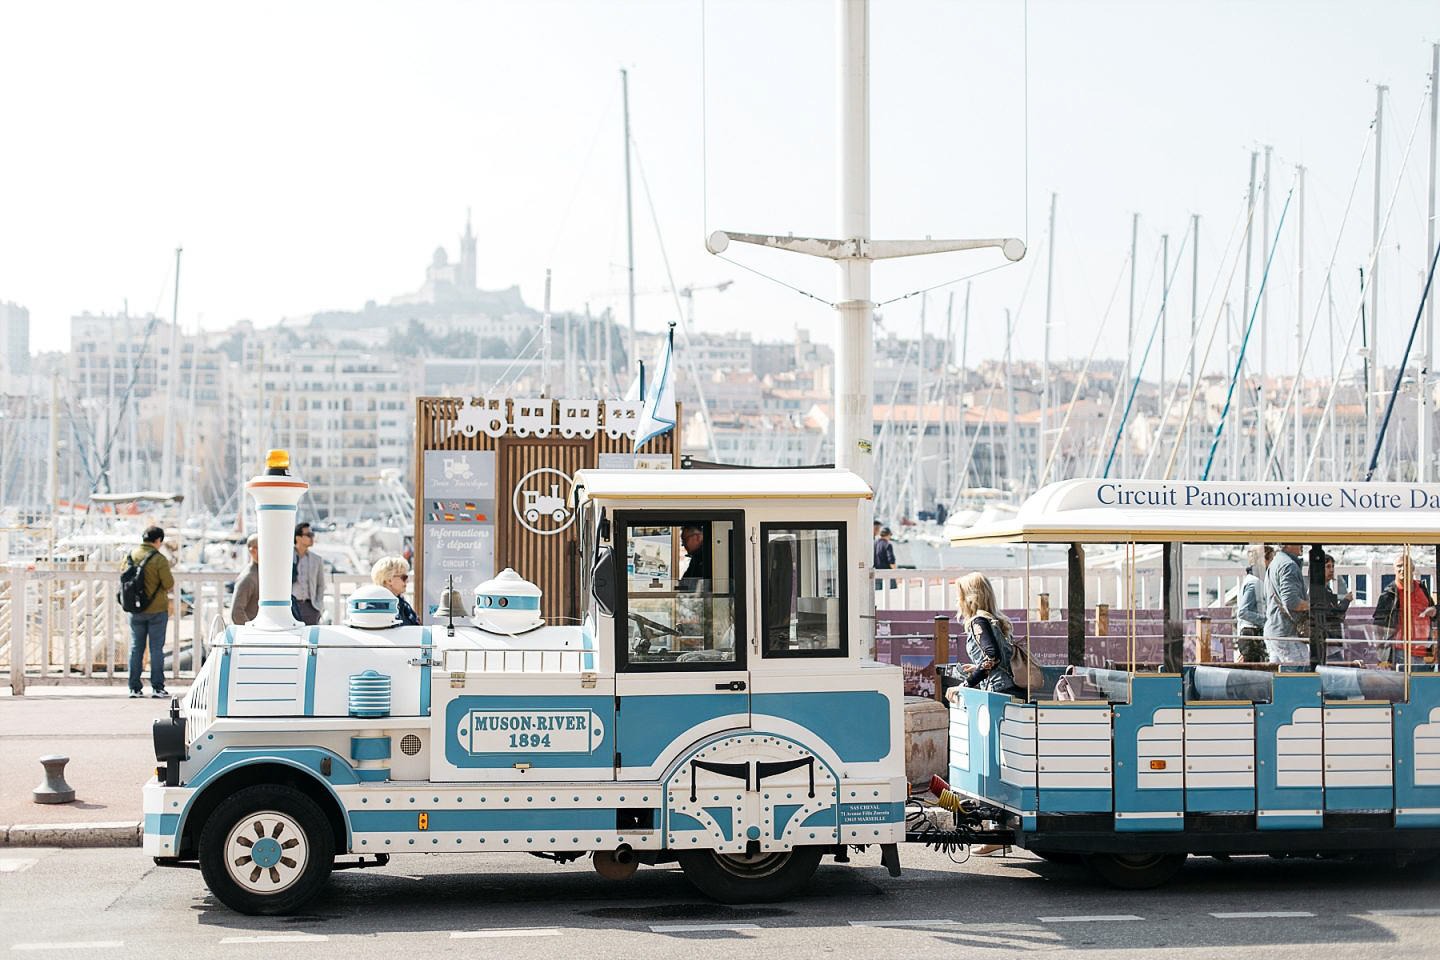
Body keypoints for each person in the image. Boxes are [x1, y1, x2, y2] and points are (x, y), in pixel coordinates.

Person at [954, 571, 1022, 697]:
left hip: (999, 690)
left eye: (960, 597)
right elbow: (1002, 659)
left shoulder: (978, 622)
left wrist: (964, 685)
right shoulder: (995, 621)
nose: (958, 602)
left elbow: (992, 657)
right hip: (1013, 687)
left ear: (969, 599)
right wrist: (978, 667)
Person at [126, 526, 175, 699]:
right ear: (158, 541)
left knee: (136, 648)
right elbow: (169, 583)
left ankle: (134, 688)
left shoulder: (131, 555)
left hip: (135, 609)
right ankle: (157, 687)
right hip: (156, 610)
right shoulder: (159, 559)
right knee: (156, 649)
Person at [1372, 553, 1436, 666]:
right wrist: (1383, 656)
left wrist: (1434, 610)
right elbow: (1378, 627)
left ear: (1413, 568)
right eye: (1399, 566)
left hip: (1424, 651)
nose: (1402, 569)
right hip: (1400, 652)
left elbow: (1434, 612)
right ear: (1394, 569)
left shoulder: (1422, 588)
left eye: (1406, 565)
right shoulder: (1388, 595)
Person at [1264, 543, 1310, 664]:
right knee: (1303, 676)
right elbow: (1291, 601)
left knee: (1277, 677)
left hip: (1275, 631)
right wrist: (1312, 605)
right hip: (1288, 633)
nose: (1303, 544)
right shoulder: (1289, 565)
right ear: (1287, 544)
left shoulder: (1275, 563)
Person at [1309, 553, 1353, 658]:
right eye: (1328, 567)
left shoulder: (1326, 589)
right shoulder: (1317, 591)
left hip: (1331, 642)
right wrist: (1346, 601)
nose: (1332, 570)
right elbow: (1331, 613)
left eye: (1333, 566)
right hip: (1325, 644)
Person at [1234, 544, 1272, 663]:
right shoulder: (1253, 583)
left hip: (1252, 633)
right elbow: (1243, 612)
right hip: (1251, 633)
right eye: (1271, 560)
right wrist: (1265, 620)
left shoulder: (1255, 581)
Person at [291, 522, 325, 626]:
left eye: (312, 534)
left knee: (311, 640)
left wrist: (318, 606)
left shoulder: (317, 560)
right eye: (308, 535)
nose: (312, 537)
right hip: (291, 607)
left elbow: (321, 585)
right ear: (298, 538)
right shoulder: (287, 557)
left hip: (311, 607)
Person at [372, 556, 420, 626]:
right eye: (404, 577)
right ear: (389, 580)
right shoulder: (380, 608)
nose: (407, 581)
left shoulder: (401, 603)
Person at [229, 535, 260, 626]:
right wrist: (252, 631)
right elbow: (237, 613)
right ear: (253, 551)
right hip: (252, 635)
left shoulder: (259, 574)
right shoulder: (248, 578)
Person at [677, 524, 711, 591]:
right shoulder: (696, 557)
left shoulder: (708, 555)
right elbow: (685, 582)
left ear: (698, 537)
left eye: (685, 540)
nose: (684, 545)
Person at [874, 524, 896, 591]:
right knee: (892, 594)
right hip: (888, 574)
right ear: (889, 535)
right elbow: (891, 560)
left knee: (877, 595)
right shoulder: (888, 544)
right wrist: (895, 571)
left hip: (877, 574)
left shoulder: (874, 543)